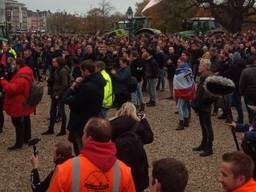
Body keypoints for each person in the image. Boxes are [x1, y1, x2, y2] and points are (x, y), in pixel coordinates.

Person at [48, 117, 136, 192]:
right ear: (109, 140)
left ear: (88, 139)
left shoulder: (65, 170)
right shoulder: (124, 172)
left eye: (84, 133)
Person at [62, 60, 106, 155]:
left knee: (81, 149)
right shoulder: (99, 82)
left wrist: (72, 87)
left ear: (86, 71)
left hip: (81, 122)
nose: (81, 74)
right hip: (92, 118)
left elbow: (68, 100)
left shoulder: (88, 87)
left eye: (82, 72)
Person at [110, 102, 154, 191]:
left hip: (119, 155)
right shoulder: (138, 124)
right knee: (137, 177)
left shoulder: (112, 123)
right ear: (134, 111)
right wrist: (144, 120)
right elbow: (149, 138)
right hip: (137, 153)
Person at [0, 58, 35, 150]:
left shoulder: (21, 77)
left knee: (17, 123)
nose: (13, 65)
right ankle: (26, 137)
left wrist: (3, 81)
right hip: (24, 101)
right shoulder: (27, 72)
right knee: (26, 119)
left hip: (18, 103)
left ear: (19, 65)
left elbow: (12, 89)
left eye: (15, 64)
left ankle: (19, 143)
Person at [192, 59, 216, 157]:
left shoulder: (209, 77)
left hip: (205, 106)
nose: (199, 66)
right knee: (203, 125)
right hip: (201, 106)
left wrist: (201, 103)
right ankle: (203, 144)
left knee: (207, 127)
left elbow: (210, 95)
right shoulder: (203, 76)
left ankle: (209, 148)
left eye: (201, 65)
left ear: (205, 67)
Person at [42, 57, 70, 136]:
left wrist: (59, 94)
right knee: (52, 111)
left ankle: (63, 130)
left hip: (59, 94)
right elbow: (55, 81)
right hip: (54, 93)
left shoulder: (63, 71)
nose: (52, 63)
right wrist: (48, 80)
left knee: (62, 112)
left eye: (54, 62)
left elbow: (65, 85)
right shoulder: (56, 69)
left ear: (59, 62)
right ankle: (51, 129)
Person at [174, 57, 195, 130]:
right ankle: (186, 121)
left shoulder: (180, 71)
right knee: (185, 106)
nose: (177, 63)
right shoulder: (189, 69)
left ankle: (181, 123)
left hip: (182, 91)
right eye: (177, 62)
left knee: (179, 107)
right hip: (188, 90)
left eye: (179, 62)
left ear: (183, 62)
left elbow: (178, 80)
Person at [240, 55, 256, 124]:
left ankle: (251, 128)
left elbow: (241, 84)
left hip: (248, 94)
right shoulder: (245, 71)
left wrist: (242, 93)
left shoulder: (245, 71)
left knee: (251, 112)